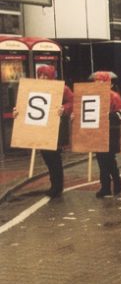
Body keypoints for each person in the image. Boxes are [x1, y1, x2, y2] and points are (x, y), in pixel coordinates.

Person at [32, 65, 73, 198]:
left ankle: (57, 186)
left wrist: (64, 108)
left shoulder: (62, 88)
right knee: (47, 157)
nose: (43, 78)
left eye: (45, 75)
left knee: (54, 157)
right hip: (42, 128)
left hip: (56, 128)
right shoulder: (35, 88)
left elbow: (73, 101)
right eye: (41, 75)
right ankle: (54, 185)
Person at [92, 71, 121, 198]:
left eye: (101, 82)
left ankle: (115, 182)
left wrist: (108, 116)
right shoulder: (92, 97)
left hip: (111, 132)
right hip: (98, 132)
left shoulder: (114, 96)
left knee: (109, 159)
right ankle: (106, 185)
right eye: (96, 82)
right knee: (101, 159)